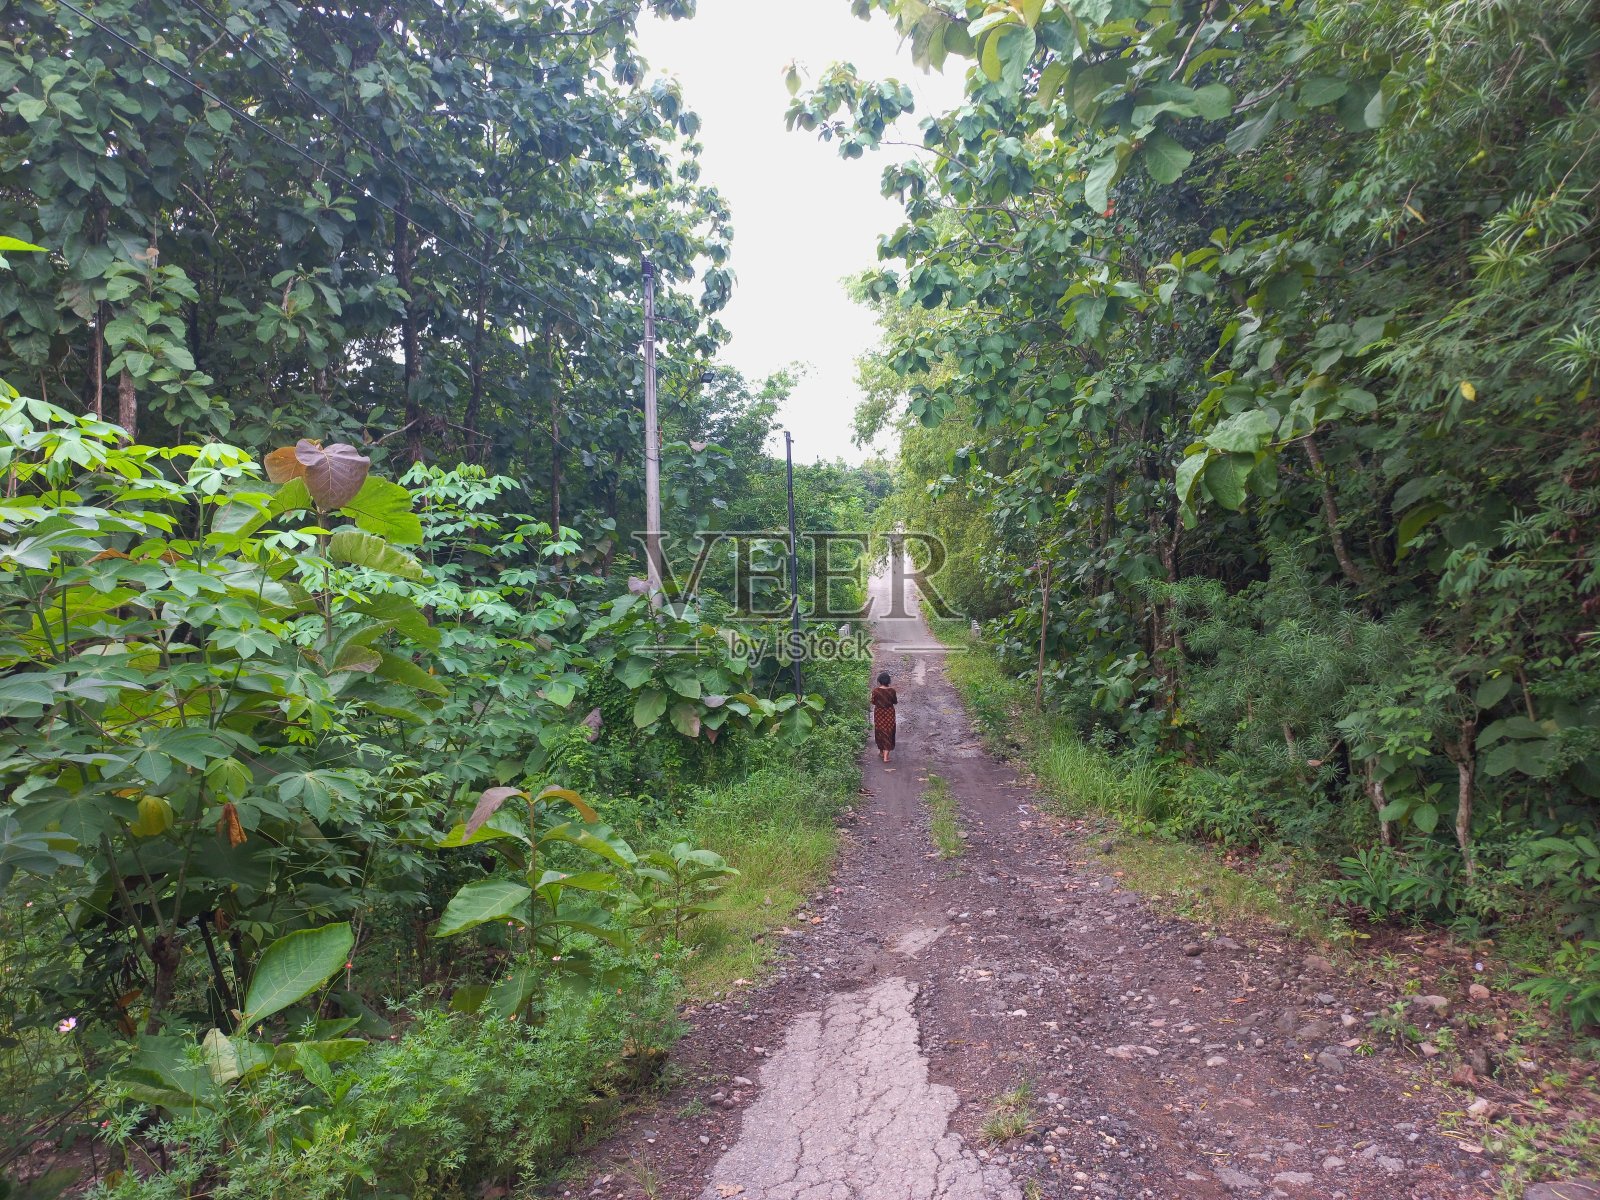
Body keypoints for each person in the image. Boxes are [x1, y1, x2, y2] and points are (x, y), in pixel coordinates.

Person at [870, 671, 897, 764]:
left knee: (880, 731)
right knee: (889, 731)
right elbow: (895, 701)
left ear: (879, 681)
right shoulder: (892, 691)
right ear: (888, 681)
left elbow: (873, 702)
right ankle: (886, 756)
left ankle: (881, 752)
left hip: (879, 713)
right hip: (889, 713)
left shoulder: (875, 691)